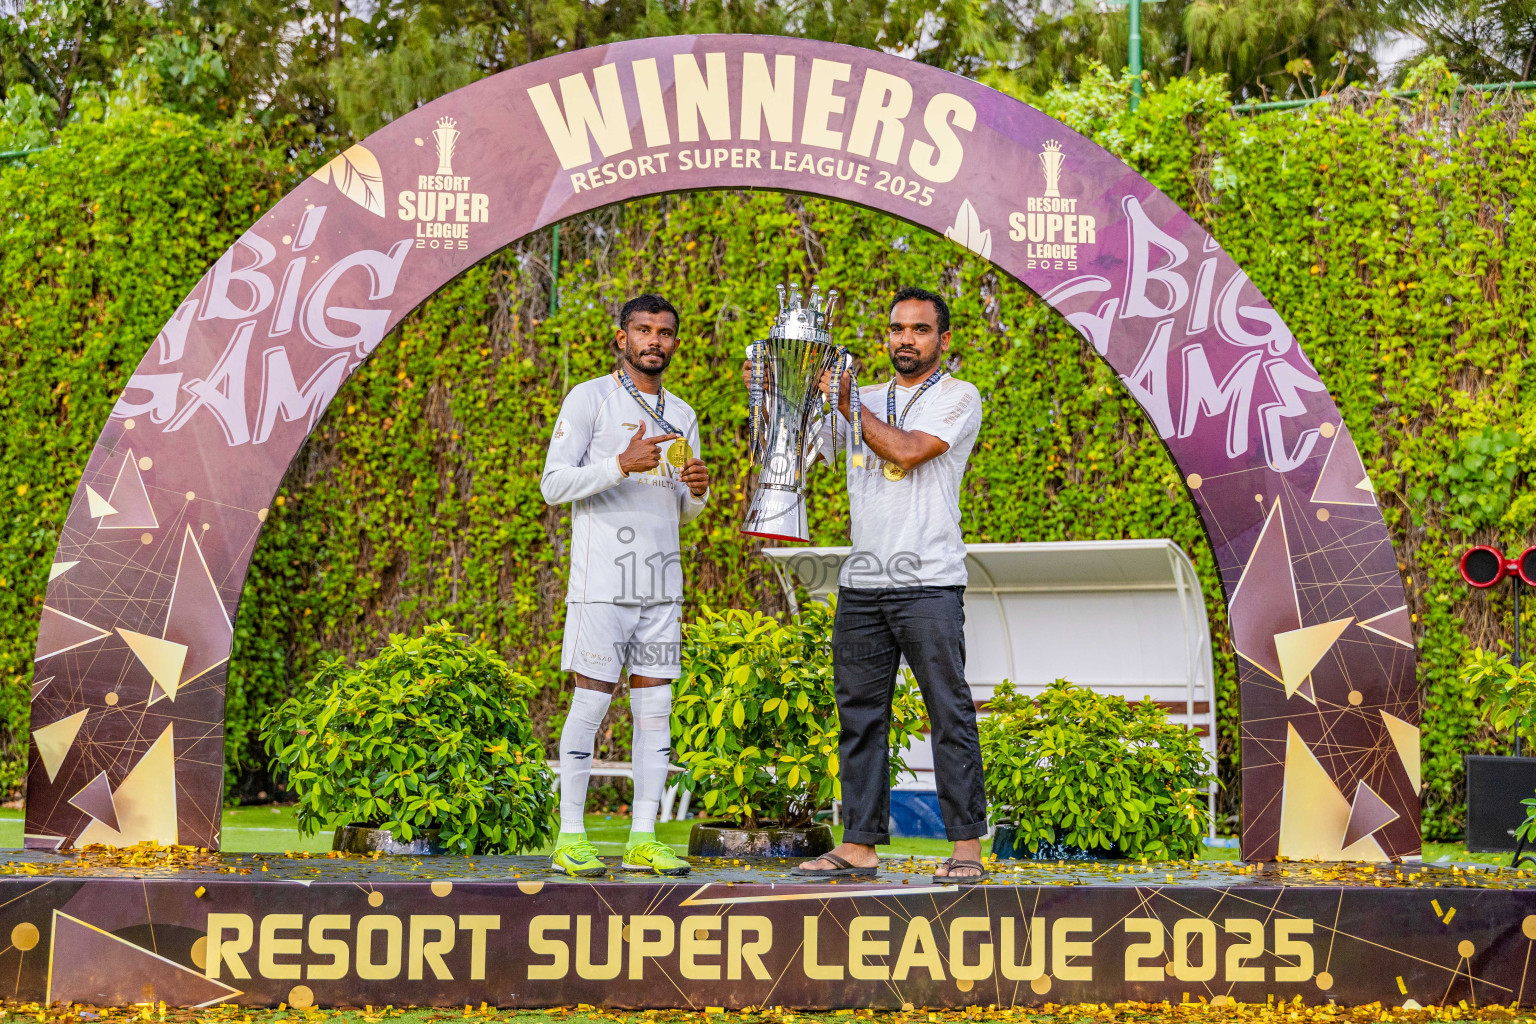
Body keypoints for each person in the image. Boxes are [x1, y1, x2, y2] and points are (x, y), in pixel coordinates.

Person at [750, 286, 987, 883]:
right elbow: (806, 449)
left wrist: (849, 405)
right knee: (860, 716)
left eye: (919, 329)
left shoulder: (959, 397)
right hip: (864, 582)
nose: (905, 339)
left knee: (948, 712)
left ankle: (965, 850)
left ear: (943, 340)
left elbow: (906, 452)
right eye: (896, 329)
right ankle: (859, 846)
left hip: (930, 581)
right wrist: (780, 392)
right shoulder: (863, 394)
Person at [541, 293, 710, 877]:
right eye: (643, 330)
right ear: (621, 337)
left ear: (674, 343)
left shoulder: (683, 413)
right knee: (591, 701)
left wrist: (698, 489)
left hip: (662, 585)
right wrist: (620, 463)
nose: (653, 341)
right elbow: (553, 484)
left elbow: (681, 512)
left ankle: (643, 837)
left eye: (664, 332)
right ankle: (570, 837)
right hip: (603, 584)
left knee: (656, 709)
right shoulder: (591, 398)